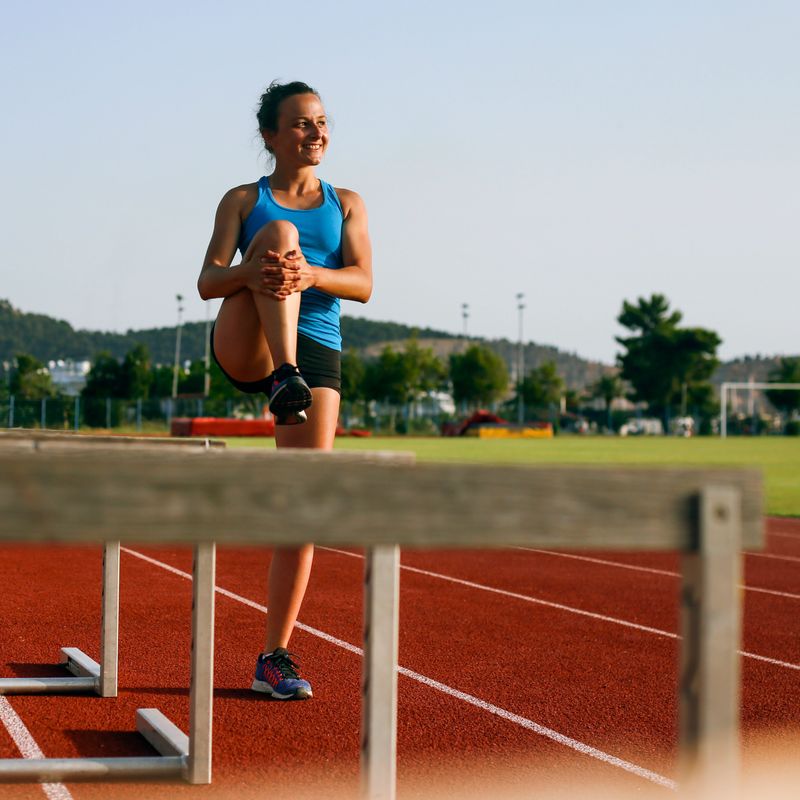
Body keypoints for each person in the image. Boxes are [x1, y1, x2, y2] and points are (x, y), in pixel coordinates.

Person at [197, 81, 372, 699]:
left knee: (303, 509)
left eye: (321, 122)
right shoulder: (244, 199)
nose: (315, 133)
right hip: (248, 339)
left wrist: (313, 275)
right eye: (300, 124)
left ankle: (274, 655)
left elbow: (365, 283)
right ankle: (281, 376)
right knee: (279, 239)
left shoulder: (346, 202)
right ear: (270, 136)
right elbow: (208, 281)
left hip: (318, 346)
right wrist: (264, 267)